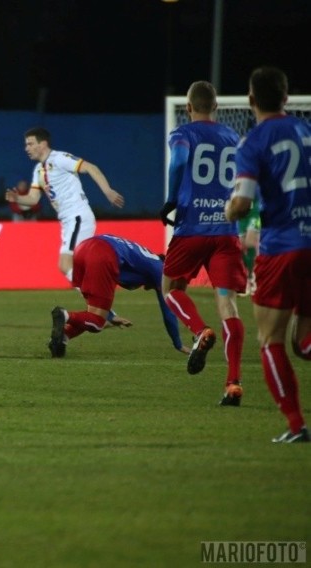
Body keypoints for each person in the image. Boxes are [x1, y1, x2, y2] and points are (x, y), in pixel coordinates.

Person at [224, 66, 311, 443]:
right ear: (287, 98)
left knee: (271, 340)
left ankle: (296, 426)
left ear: (250, 100)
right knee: (303, 343)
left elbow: (242, 203)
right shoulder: (307, 132)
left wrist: (228, 211)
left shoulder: (253, 142)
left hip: (282, 247)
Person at [159, 80, 246, 407]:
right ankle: (233, 383)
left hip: (192, 228)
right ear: (217, 108)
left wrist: (171, 200)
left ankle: (199, 331)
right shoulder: (233, 137)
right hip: (225, 231)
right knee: (228, 305)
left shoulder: (183, 134)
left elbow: (180, 160)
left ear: (188, 107)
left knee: (171, 289)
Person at [4, 127, 125, 281]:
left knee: (65, 264)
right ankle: (102, 296)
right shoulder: (38, 170)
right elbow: (33, 198)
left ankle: (99, 299)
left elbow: (90, 167)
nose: (26, 148)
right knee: (79, 267)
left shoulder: (59, 158)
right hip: (68, 222)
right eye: (26, 144)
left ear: (42, 144)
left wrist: (107, 191)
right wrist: (17, 199)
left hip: (77, 216)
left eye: (30, 144)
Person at [47, 234, 186, 358]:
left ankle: (62, 338)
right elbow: (168, 311)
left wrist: (111, 316)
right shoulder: (161, 271)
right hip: (103, 253)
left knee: (92, 313)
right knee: (97, 322)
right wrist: (178, 343)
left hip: (83, 248)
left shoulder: (148, 261)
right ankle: (65, 315)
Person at [238, 197, 261, 296]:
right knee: (241, 245)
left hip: (255, 210)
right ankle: (248, 276)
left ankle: (251, 278)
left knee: (250, 243)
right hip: (241, 210)